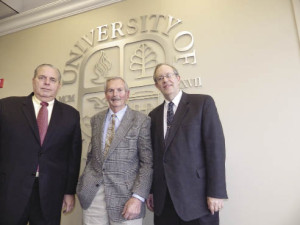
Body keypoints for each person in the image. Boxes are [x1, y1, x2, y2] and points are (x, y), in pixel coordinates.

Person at [0, 64, 82, 225]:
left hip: (50, 192)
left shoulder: (71, 115)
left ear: (59, 85)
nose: (47, 83)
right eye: (42, 78)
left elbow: (73, 157)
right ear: (33, 81)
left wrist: (69, 192)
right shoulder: (6, 107)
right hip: (11, 190)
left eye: (52, 79)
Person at [146, 63, 228, 225]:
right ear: (156, 85)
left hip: (197, 198)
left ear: (178, 78)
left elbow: (215, 150)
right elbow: (153, 156)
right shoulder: (153, 115)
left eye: (169, 75)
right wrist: (152, 191)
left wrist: (216, 192)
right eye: (160, 78)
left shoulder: (202, 103)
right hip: (165, 200)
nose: (165, 80)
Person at [76, 77, 153, 225]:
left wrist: (138, 198)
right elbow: (92, 155)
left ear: (127, 94)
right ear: (106, 95)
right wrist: (83, 183)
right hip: (93, 196)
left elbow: (147, 163)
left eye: (119, 90)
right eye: (110, 90)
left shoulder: (141, 120)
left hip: (126, 197)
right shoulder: (96, 120)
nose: (115, 94)